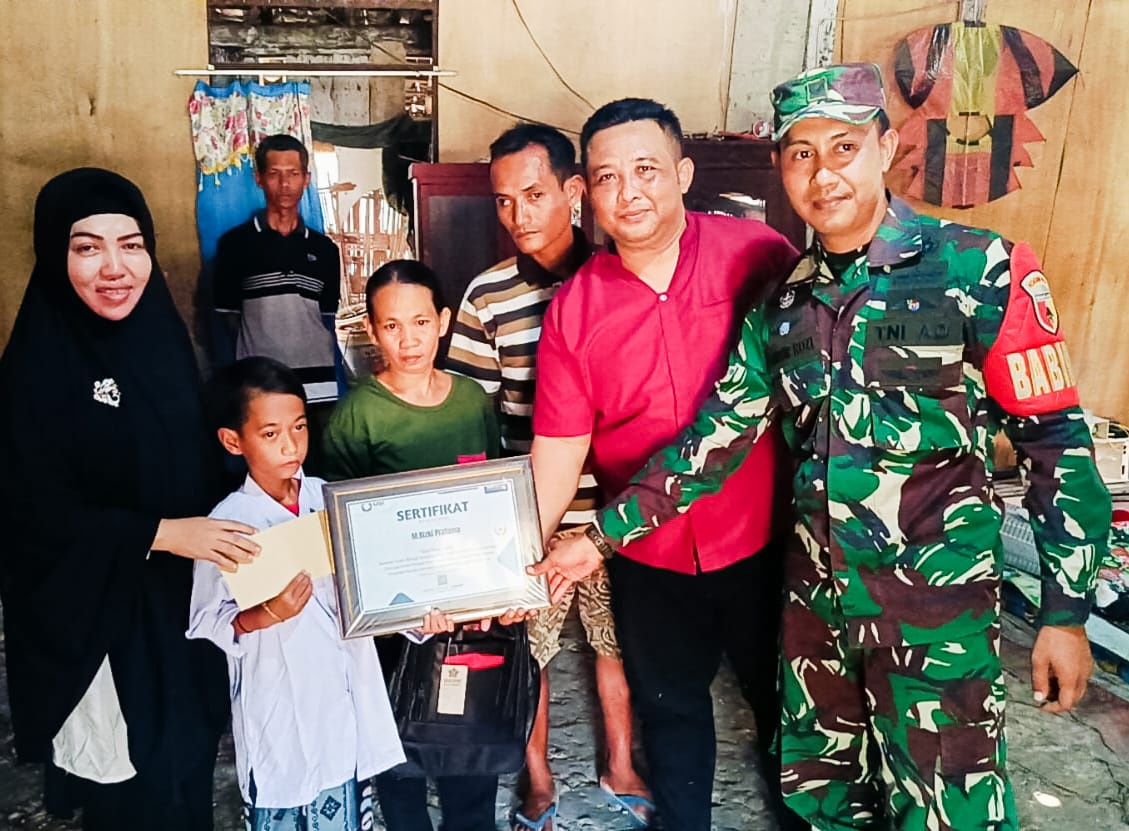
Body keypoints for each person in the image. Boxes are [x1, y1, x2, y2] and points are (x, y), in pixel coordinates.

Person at [537, 64, 1112, 831]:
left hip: (932, 623)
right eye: (800, 154)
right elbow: (712, 439)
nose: (822, 173)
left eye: (842, 147)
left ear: (886, 147)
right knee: (825, 808)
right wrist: (597, 538)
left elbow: (1055, 445)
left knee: (948, 812)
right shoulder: (783, 304)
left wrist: (1065, 611)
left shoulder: (979, 270)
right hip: (816, 623)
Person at [530, 99, 805, 831]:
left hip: (763, 539)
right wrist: (514, 561)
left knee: (790, 706)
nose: (629, 193)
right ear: (586, 192)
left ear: (683, 174)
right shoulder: (575, 309)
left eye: (646, 169)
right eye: (607, 177)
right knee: (671, 712)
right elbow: (559, 451)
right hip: (644, 552)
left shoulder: (757, 253)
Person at [0, 168, 261, 830]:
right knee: (130, 793)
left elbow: (198, 465)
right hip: (101, 626)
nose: (115, 268)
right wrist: (160, 532)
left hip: (180, 615)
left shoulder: (162, 344)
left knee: (187, 776)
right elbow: (28, 514)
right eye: (87, 247)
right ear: (55, 255)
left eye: (132, 244)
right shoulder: (36, 371)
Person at [445, 123, 650, 831]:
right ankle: (537, 777)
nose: (518, 215)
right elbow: (470, 418)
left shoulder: (623, 276)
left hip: (617, 516)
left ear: (574, 191)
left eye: (534, 195)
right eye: (504, 201)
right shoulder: (487, 296)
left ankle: (620, 763)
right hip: (529, 515)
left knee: (616, 644)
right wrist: (493, 531)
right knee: (527, 651)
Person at [187, 356, 405, 830]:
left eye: (300, 427)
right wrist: (267, 613)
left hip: (343, 694)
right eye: (270, 434)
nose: (290, 445)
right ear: (233, 441)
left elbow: (374, 583)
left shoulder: (329, 500)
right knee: (284, 790)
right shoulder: (226, 523)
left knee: (346, 798)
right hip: (277, 701)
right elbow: (207, 619)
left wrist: (417, 609)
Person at [322, 260, 503, 831]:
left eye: (421, 323)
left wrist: (501, 587)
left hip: (469, 614)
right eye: (392, 326)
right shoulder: (356, 415)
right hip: (392, 625)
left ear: (443, 322)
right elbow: (340, 528)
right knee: (397, 748)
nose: (409, 340)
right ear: (371, 331)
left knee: (468, 739)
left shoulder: (471, 400)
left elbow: (495, 498)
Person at [213, 133, 342, 473]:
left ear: (307, 179)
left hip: (318, 387)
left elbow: (326, 317)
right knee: (266, 471)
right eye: (274, 174)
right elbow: (227, 317)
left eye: (294, 173)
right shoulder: (235, 246)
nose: (285, 184)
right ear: (258, 178)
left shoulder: (325, 250)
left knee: (316, 472)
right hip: (261, 385)